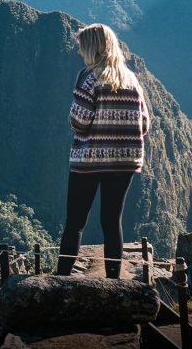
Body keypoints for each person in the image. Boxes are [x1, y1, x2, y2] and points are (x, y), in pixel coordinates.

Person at [55, 23, 150, 279]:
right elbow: (144, 124)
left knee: (75, 221)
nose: (78, 52)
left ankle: (61, 278)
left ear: (92, 48)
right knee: (111, 220)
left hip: (90, 160)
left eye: (81, 47)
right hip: (125, 161)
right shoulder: (131, 79)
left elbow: (79, 121)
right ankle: (113, 280)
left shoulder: (88, 77)